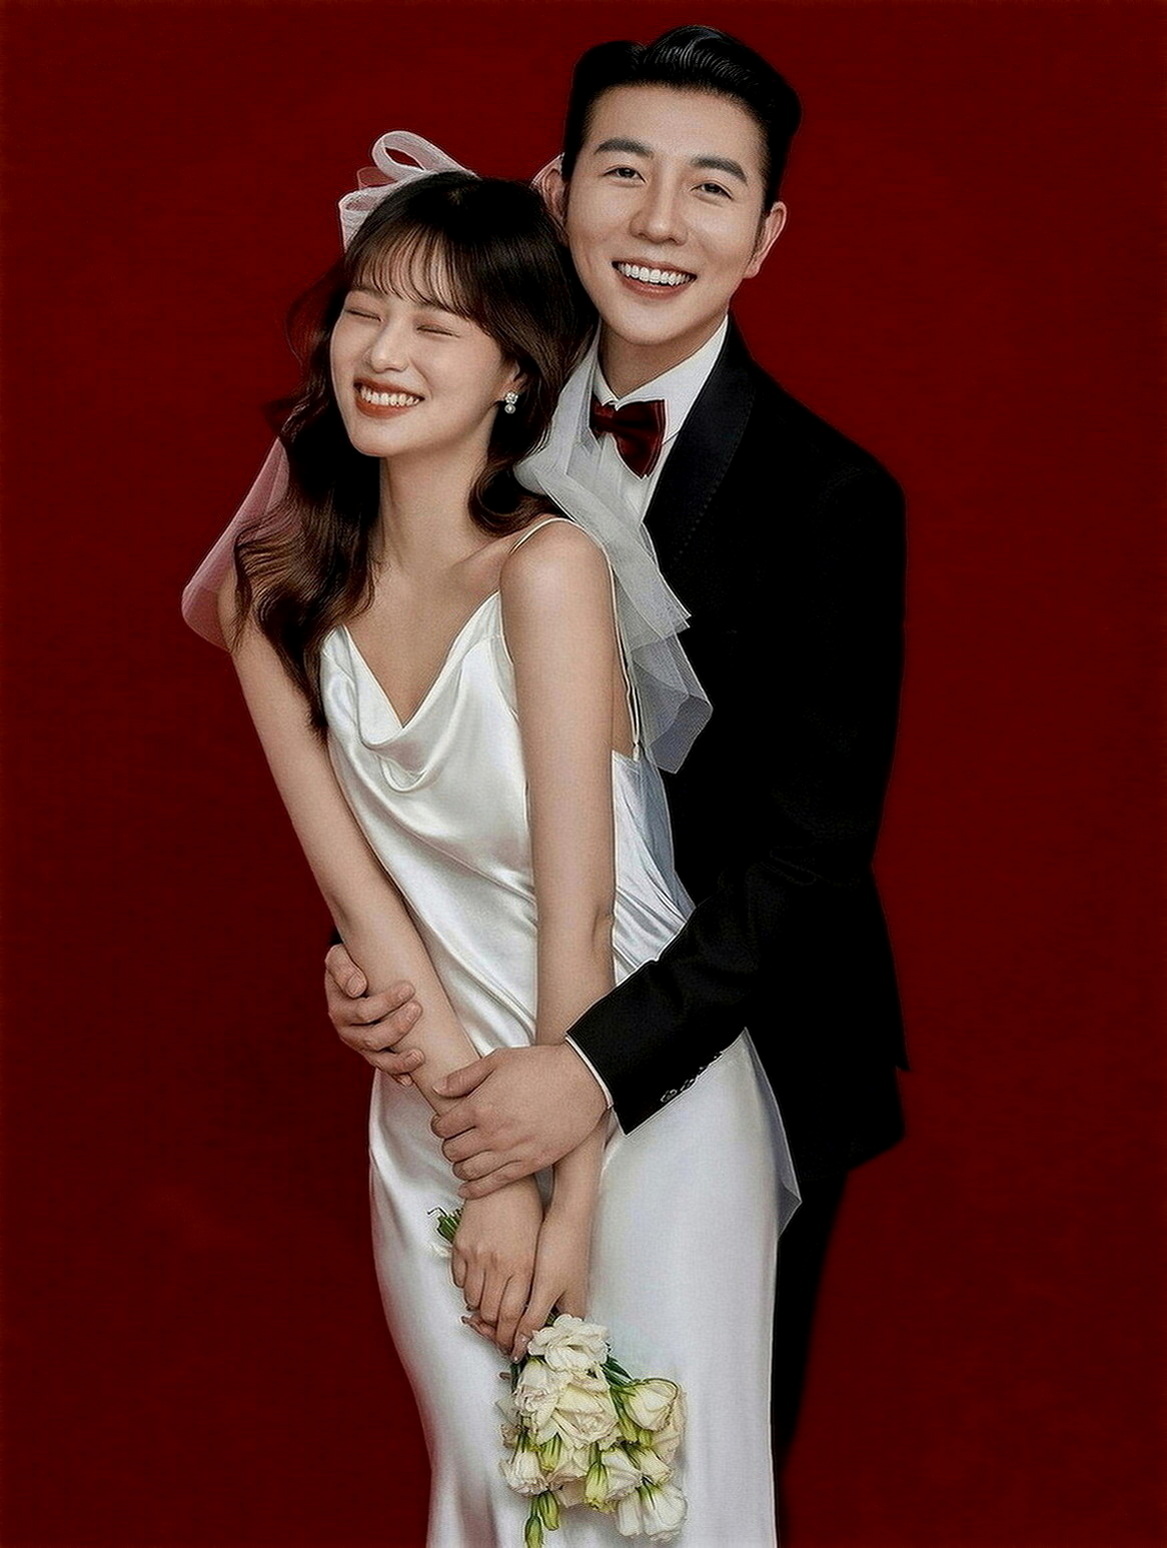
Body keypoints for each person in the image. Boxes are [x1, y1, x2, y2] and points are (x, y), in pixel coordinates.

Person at [186, 164, 798, 1544]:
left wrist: (562, 1206)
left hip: (627, 1100)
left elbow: (581, 920)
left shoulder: (547, 571)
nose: (384, 352)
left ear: (519, 375)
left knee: (660, 1518)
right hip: (435, 1103)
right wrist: (483, 1185)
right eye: (364, 310)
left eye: (438, 326)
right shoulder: (268, 601)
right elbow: (367, 912)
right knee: (491, 1503)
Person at [324, 25, 909, 1468]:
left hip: (730, 1048)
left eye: (711, 189)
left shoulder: (832, 498)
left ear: (766, 235)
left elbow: (811, 855)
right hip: (473, 1059)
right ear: (555, 187)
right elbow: (362, 691)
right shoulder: (441, 405)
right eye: (623, 172)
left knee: (664, 1481)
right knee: (500, 1481)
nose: (659, 223)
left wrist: (587, 1070)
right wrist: (373, 952)